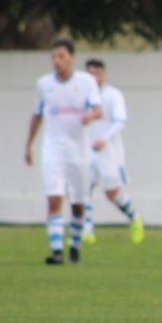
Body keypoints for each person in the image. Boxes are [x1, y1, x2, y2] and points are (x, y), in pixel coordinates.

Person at [24, 38, 104, 264]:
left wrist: (91, 115)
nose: (56, 61)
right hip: (53, 148)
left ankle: (75, 246)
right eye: (53, 57)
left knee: (78, 203)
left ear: (72, 58)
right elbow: (37, 115)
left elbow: (99, 110)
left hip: (79, 150)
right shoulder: (44, 84)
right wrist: (29, 145)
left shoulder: (86, 82)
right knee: (54, 198)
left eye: (61, 56)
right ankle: (57, 251)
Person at [81, 58, 145, 245]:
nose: (94, 77)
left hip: (108, 153)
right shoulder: (81, 96)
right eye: (90, 73)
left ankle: (135, 217)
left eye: (97, 73)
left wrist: (104, 139)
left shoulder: (113, 95)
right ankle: (87, 231)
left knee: (112, 194)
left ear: (104, 74)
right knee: (83, 190)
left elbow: (120, 121)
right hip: (86, 150)